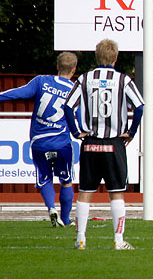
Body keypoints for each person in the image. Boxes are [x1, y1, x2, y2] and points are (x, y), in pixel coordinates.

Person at [62, 39, 144, 250]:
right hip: (114, 144)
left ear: (96, 58)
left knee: (85, 192)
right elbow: (140, 107)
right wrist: (131, 132)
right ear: (115, 58)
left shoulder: (85, 79)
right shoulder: (123, 80)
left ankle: (80, 238)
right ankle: (118, 240)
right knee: (116, 193)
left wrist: (75, 131)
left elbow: (68, 106)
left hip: (90, 143)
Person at [0, 52, 79, 227]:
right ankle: (65, 220)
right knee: (66, 181)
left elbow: (17, 93)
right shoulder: (75, 90)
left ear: (57, 66)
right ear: (74, 70)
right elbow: (78, 118)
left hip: (39, 142)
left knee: (45, 178)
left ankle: (51, 208)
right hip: (62, 142)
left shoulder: (41, 81)